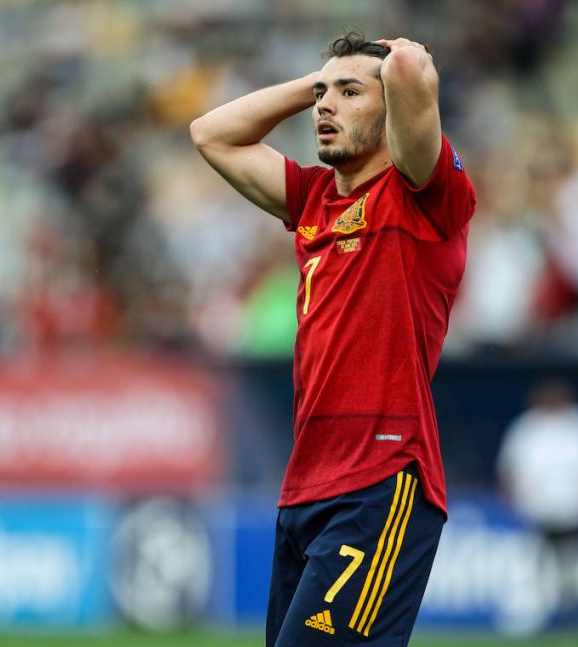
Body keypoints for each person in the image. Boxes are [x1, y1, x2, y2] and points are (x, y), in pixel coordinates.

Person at [190, 31, 476, 646]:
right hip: (306, 485)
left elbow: (408, 70)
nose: (326, 106)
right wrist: (317, 84)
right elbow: (211, 133)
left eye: (350, 93)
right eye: (323, 95)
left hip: (382, 479)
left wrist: (387, 57)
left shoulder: (423, 197)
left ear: (391, 107)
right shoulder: (313, 201)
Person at [496, 379, 578, 627]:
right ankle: (535, 618)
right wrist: (513, 500)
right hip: (537, 511)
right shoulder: (527, 426)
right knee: (535, 570)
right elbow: (508, 469)